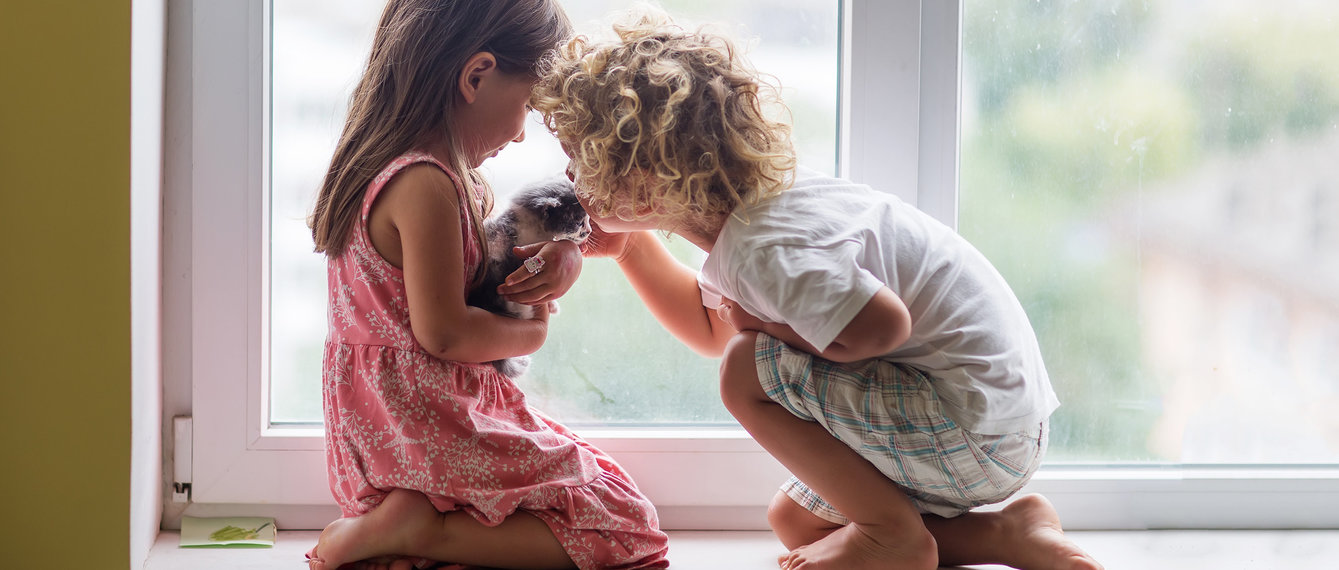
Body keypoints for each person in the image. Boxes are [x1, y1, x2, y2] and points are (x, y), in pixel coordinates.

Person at [533, 8, 1103, 570]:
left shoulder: (767, 249)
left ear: (650, 183)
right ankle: (1004, 533)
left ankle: (892, 536)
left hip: (976, 432)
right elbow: (712, 327)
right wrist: (631, 249)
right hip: (994, 421)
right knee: (798, 522)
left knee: (742, 368)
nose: (570, 179)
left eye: (580, 162)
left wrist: (767, 330)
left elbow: (884, 324)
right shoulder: (761, 215)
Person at [304, 1, 669, 568]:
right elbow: (445, 334)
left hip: (391, 434)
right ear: (476, 76)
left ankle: (410, 530)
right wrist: (533, 334)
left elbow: (501, 259)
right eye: (527, 105)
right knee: (628, 526)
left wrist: (566, 254)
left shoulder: (398, 169)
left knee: (596, 487)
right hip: (431, 424)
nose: (524, 135)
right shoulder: (427, 183)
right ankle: (427, 531)